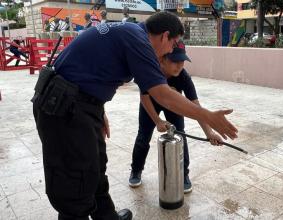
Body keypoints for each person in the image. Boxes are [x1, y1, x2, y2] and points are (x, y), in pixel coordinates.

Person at [32, 11, 237, 220]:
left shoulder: (130, 33)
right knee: (74, 182)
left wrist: (97, 109)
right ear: (165, 36)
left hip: (80, 104)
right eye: (173, 44)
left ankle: (107, 217)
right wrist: (210, 117)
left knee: (95, 167)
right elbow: (162, 94)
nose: (171, 50)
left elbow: (90, 70)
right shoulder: (138, 40)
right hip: (64, 107)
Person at [129, 40, 223, 193]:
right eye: (175, 61)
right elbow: (144, 96)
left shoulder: (183, 77)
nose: (180, 65)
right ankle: (136, 170)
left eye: (182, 61)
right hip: (150, 104)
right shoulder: (150, 70)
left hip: (173, 106)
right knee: (143, 136)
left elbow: (196, 107)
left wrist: (209, 132)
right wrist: (158, 121)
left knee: (180, 135)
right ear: (162, 59)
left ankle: (184, 174)